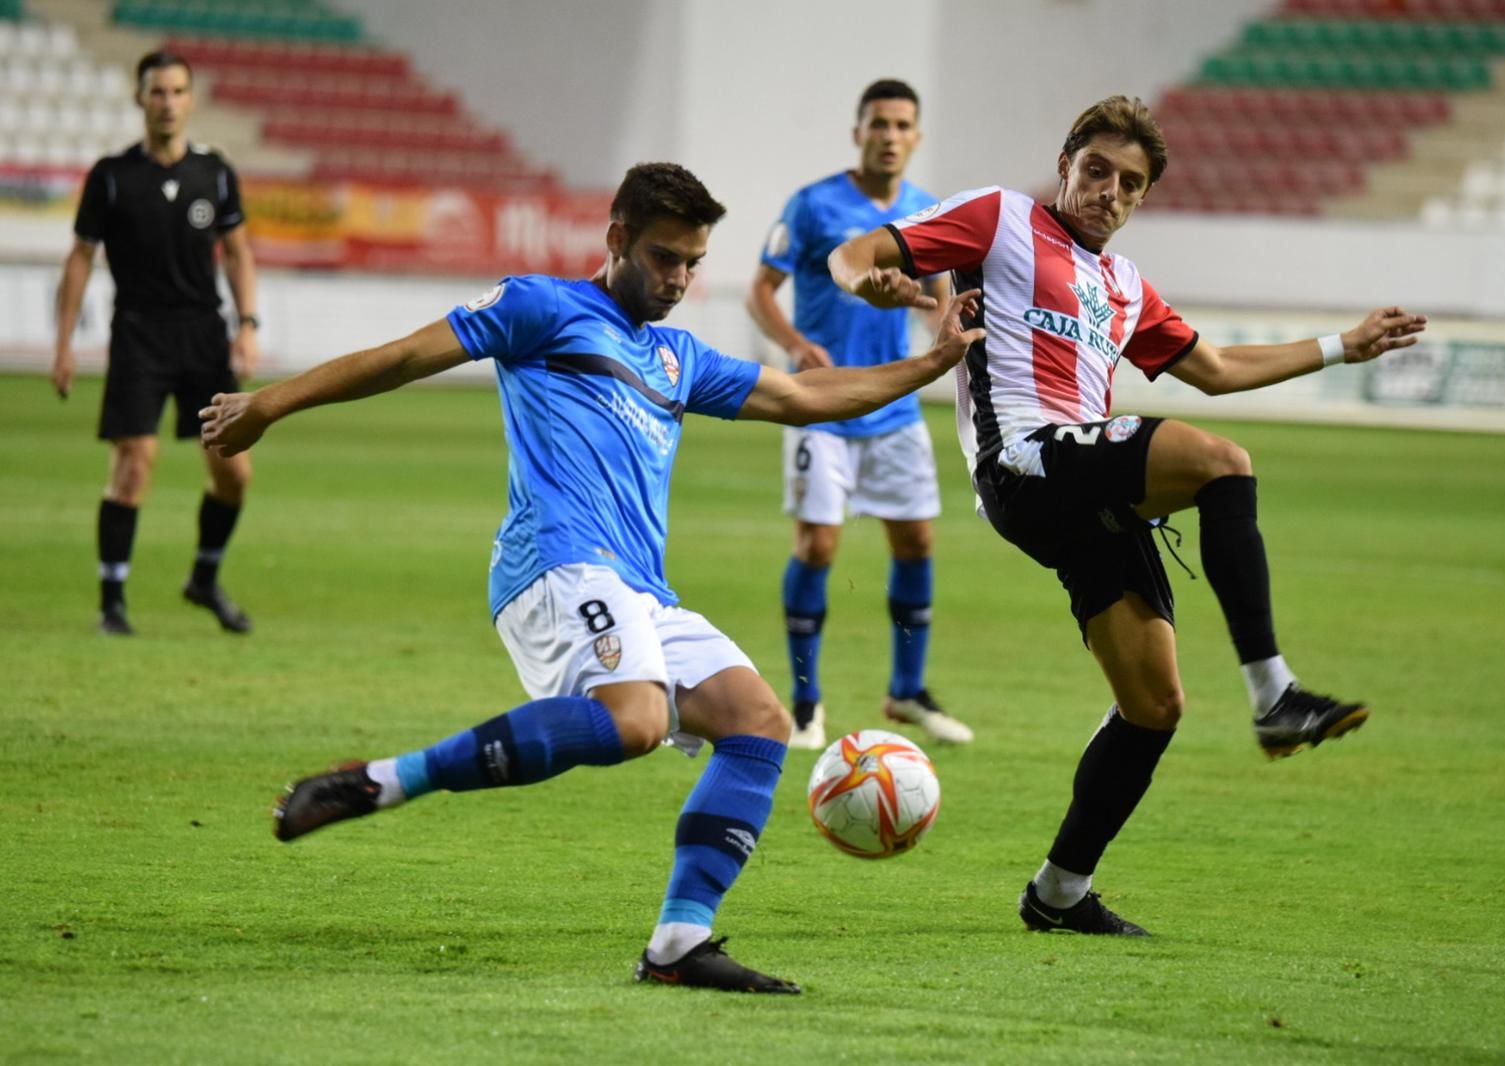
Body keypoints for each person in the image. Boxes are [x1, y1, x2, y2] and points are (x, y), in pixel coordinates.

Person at [199, 162, 983, 993]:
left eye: (691, 262)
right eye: (661, 257)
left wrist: (931, 365)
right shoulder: (540, 307)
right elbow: (401, 357)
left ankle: (680, 944)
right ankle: (380, 782)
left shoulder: (678, 357)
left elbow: (801, 395)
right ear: (615, 240)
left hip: (640, 586)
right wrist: (270, 403)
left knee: (758, 721)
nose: (678, 278)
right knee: (637, 720)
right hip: (555, 561)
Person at [828, 95, 1426, 936]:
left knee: (1154, 707)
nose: (1109, 190)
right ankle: (1274, 693)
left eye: (1130, 183)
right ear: (1066, 163)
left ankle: (1059, 892)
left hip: (1083, 491)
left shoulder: (1123, 284)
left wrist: (1340, 346)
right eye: (1097, 170)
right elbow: (851, 254)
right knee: (1224, 463)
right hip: (1028, 460)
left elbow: (1214, 368)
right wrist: (877, 285)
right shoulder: (999, 219)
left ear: (1142, 200)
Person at [746, 79, 969, 750]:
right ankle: (807, 705)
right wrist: (793, 344)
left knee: (917, 542)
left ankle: (906, 691)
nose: (891, 135)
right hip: (820, 404)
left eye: (903, 125)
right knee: (818, 546)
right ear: (858, 132)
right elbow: (761, 289)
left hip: (892, 407)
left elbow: (942, 300)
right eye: (879, 123)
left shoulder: (927, 212)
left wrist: (935, 314)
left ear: (917, 137)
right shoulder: (813, 205)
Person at [51, 50, 259, 637]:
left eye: (176, 92)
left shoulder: (214, 173)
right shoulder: (112, 176)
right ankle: (112, 602)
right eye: (156, 92)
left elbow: (240, 252)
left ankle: (203, 578)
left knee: (234, 473)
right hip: (139, 333)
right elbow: (80, 259)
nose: (167, 103)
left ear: (190, 100)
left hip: (203, 336)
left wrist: (248, 324)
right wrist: (64, 344)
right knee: (134, 464)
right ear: (139, 99)